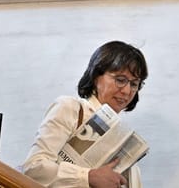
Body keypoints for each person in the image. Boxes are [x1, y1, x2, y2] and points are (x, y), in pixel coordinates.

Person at [23, 41, 149, 188]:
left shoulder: (125, 141)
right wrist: (88, 177)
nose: (127, 91)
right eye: (120, 80)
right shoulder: (71, 108)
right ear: (96, 77)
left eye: (134, 84)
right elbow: (33, 168)